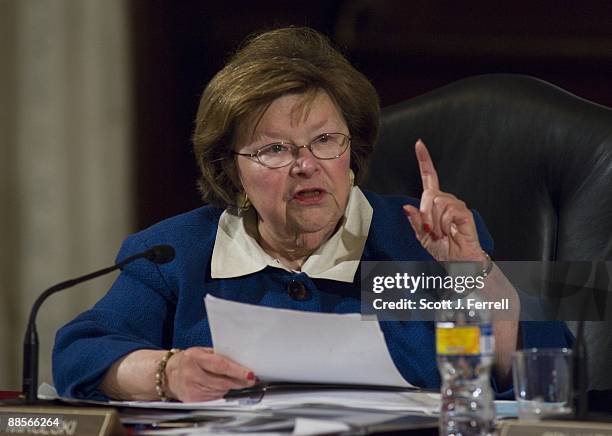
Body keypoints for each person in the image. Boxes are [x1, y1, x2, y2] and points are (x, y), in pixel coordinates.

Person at [52, 26, 572, 402]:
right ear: (231, 170)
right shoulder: (176, 254)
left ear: (352, 151)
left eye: (325, 140)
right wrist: (165, 372)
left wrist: (471, 271)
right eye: (275, 149)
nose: (306, 166)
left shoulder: (419, 239)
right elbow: (80, 352)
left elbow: (548, 366)